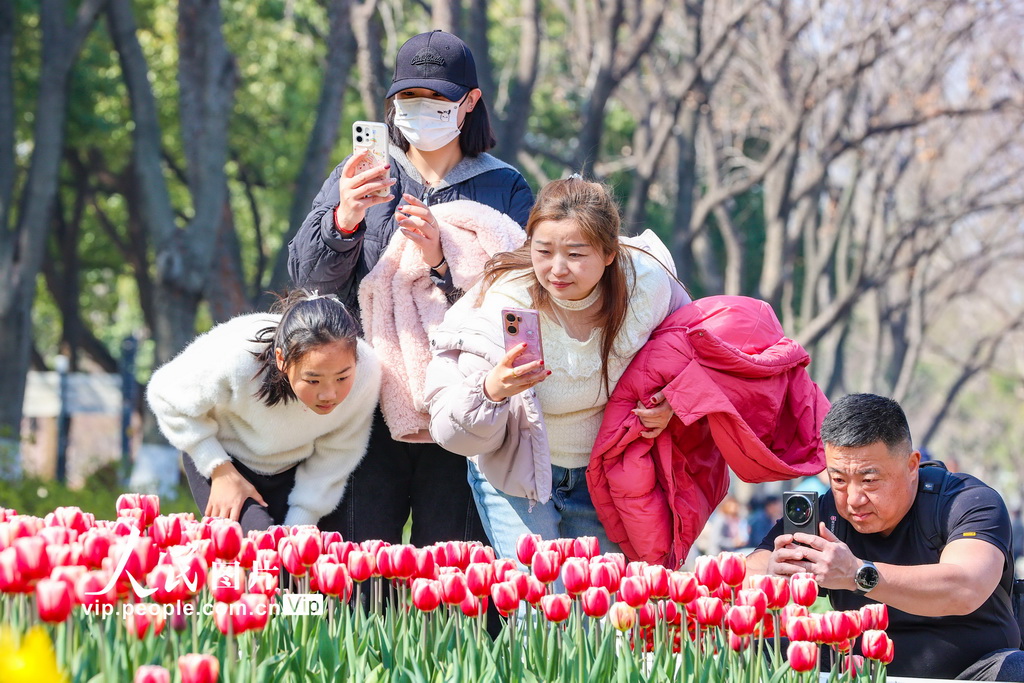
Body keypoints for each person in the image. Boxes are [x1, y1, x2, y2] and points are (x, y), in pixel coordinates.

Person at [287, 30, 534, 546]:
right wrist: (345, 217)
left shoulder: (504, 185)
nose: (420, 109)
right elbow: (309, 279)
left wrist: (443, 259)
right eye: (408, 97)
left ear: (470, 102)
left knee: (452, 567)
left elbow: (518, 293)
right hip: (367, 400)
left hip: (461, 403)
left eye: (436, 98)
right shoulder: (358, 175)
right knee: (357, 563)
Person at [423, 177, 686, 560]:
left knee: (598, 596)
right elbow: (451, 431)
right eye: (543, 251)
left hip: (602, 475)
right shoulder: (505, 303)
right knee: (541, 593)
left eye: (576, 254)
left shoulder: (646, 284)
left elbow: (693, 347)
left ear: (609, 253)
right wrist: (491, 390)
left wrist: (673, 401)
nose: (557, 269)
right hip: (518, 477)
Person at [747, 393, 1024, 681]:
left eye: (869, 480)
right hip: (859, 670)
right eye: (839, 479)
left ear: (912, 466)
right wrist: (770, 576)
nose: (853, 499)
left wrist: (857, 574)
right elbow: (744, 573)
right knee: (753, 653)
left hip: (972, 672)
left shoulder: (965, 501)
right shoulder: (825, 512)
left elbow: (965, 588)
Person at [147, 291, 381, 534]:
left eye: (342, 378)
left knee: (290, 553)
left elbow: (339, 451)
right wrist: (220, 471)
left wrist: (300, 524)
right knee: (256, 544)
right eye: (313, 380)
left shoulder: (366, 373)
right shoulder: (238, 357)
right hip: (224, 456)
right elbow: (165, 394)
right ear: (281, 359)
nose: (329, 394)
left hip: (291, 469)